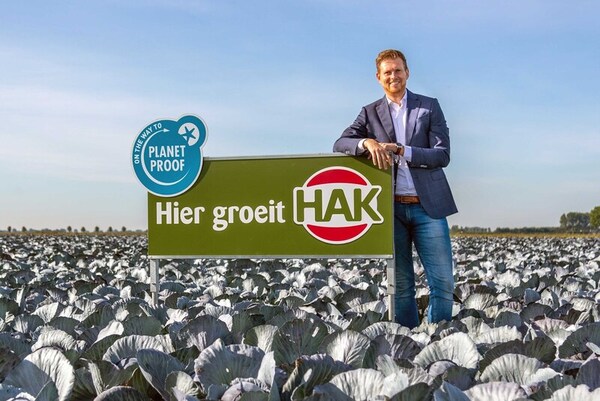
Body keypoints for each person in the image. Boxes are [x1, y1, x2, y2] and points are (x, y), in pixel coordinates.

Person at [333, 49, 457, 328]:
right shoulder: (369, 112)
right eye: (387, 72)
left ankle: (438, 338)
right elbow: (341, 143)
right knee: (400, 285)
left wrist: (402, 150)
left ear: (407, 72)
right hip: (391, 210)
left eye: (398, 70)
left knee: (442, 282)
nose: (393, 76)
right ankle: (408, 343)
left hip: (429, 206)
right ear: (378, 78)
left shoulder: (429, 106)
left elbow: (442, 155)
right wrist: (367, 143)